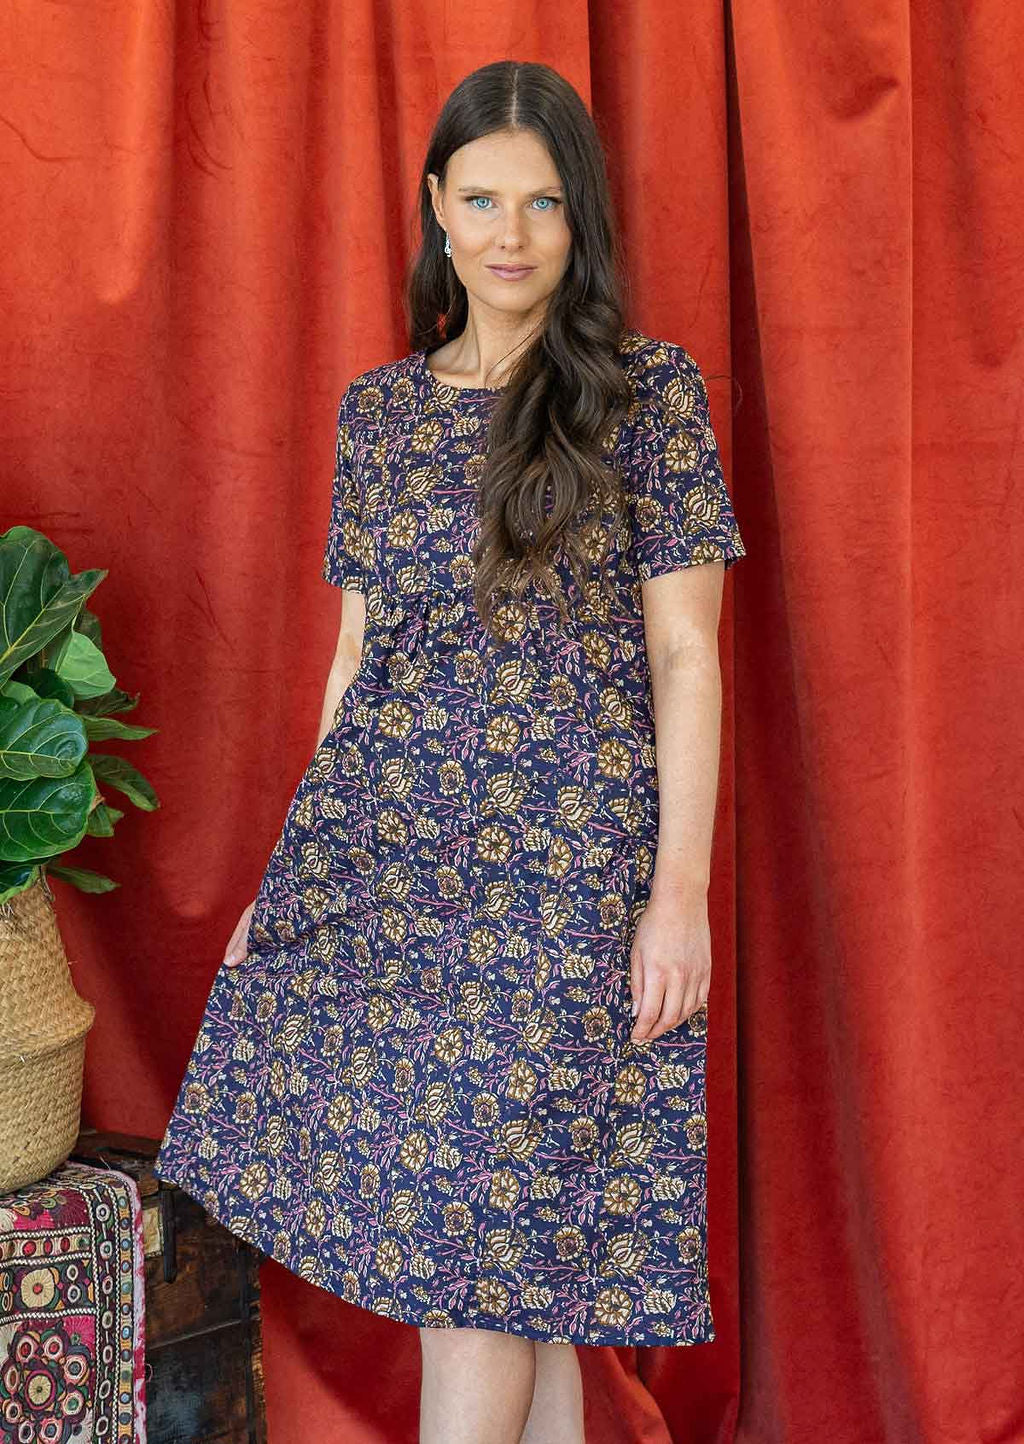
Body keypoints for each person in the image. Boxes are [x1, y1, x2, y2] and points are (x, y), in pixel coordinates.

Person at [156, 58, 746, 1444]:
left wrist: (680, 895)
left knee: (476, 1274)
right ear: (436, 204)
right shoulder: (381, 414)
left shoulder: (646, 395)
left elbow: (688, 657)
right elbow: (357, 667)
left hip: (565, 883)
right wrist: (292, 886)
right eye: (481, 198)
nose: (510, 234)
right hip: (397, 876)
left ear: (577, 219)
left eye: (542, 204)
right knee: (502, 1282)